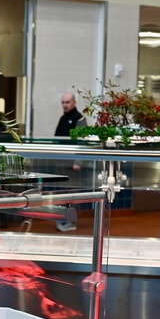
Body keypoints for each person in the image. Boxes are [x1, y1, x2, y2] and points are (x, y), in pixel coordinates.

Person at [53, 92, 85, 232]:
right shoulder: (62, 118)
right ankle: (63, 218)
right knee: (62, 193)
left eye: (68, 102)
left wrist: (78, 161)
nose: (65, 105)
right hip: (61, 162)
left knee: (72, 194)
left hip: (72, 164)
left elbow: (82, 141)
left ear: (74, 103)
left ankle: (71, 221)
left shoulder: (79, 119)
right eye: (63, 102)